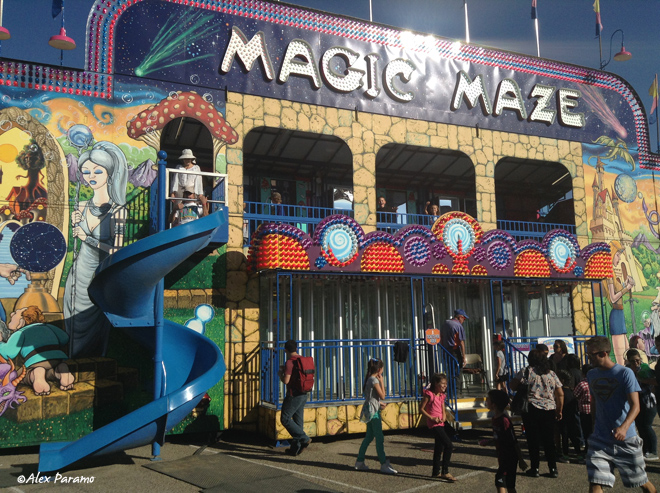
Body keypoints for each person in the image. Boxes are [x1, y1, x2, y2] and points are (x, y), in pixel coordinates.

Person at [64, 141, 128, 358]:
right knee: (72, 324)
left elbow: (116, 251)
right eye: (86, 171)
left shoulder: (119, 211)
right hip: (78, 277)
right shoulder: (80, 207)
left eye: (97, 171)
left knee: (96, 325)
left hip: (99, 277)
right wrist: (74, 226)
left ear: (109, 174)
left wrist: (87, 238)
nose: (91, 176)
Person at [585, 336, 656, 493]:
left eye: (591, 355)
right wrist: (593, 427)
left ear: (603, 353)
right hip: (600, 439)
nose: (588, 358)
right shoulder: (591, 375)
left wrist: (623, 428)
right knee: (595, 482)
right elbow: (595, 403)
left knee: (641, 481)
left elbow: (635, 406)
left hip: (626, 440)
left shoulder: (625, 374)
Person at [510, 349, 564, 478]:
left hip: (531, 409)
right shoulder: (551, 374)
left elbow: (512, 386)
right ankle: (553, 468)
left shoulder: (526, 371)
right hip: (549, 409)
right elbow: (560, 393)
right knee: (549, 440)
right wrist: (559, 410)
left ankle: (535, 468)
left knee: (533, 440)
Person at [0, 306, 75, 396]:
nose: (12, 314)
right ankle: (60, 370)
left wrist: (0, 343)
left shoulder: (20, 333)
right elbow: (65, 338)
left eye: (16, 313)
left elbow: (9, 353)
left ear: (22, 321)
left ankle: (36, 374)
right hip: (57, 358)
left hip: (35, 361)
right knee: (49, 372)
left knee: (20, 375)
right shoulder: (49, 327)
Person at [479, 389, 528, 493]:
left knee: (499, 482)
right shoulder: (495, 419)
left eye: (488, 400)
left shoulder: (504, 421)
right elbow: (500, 436)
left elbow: (513, 440)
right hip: (503, 457)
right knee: (510, 486)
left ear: (494, 404)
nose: (486, 402)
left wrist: (521, 460)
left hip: (509, 457)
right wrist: (489, 441)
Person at [355, 358, 397, 474]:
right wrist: (382, 381)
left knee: (369, 437)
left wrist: (379, 403)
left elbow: (371, 398)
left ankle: (360, 461)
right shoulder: (374, 380)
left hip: (369, 410)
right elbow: (383, 395)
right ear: (379, 370)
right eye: (382, 369)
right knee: (379, 438)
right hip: (373, 412)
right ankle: (383, 463)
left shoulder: (369, 379)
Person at [279, 339, 312, 456]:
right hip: (304, 393)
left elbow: (286, 381)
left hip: (293, 394)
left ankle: (304, 438)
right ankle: (295, 449)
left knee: (285, 418)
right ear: (296, 348)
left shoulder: (289, 362)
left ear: (286, 350)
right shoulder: (301, 360)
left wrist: (280, 374)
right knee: (298, 422)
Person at [420, 373, 455, 482]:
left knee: (439, 447)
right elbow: (421, 409)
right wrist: (431, 418)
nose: (445, 386)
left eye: (446, 384)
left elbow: (442, 407)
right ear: (436, 384)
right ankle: (445, 471)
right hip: (434, 423)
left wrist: (444, 416)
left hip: (441, 422)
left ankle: (436, 472)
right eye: (442, 384)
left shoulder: (441, 395)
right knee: (448, 445)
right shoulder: (429, 395)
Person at [625, 349, 658, 461]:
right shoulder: (628, 371)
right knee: (640, 426)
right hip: (636, 403)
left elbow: (655, 382)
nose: (636, 363)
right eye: (633, 361)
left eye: (637, 360)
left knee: (647, 425)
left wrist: (642, 379)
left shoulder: (645, 369)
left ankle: (653, 451)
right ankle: (646, 450)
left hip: (649, 402)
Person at [607, 240, 635, 365]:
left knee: (627, 353)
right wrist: (627, 288)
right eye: (617, 254)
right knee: (621, 357)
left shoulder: (613, 273)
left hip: (620, 313)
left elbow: (619, 290)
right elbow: (613, 298)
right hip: (616, 313)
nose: (619, 258)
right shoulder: (609, 274)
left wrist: (626, 284)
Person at [556, 370, 582, 462]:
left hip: (563, 416)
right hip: (572, 416)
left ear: (562, 380)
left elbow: (559, 403)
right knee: (573, 435)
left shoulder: (560, 392)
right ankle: (579, 454)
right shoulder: (572, 391)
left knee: (565, 435)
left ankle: (566, 455)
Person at [573, 363, 593, 454]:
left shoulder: (582, 384)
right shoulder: (595, 382)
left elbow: (575, 395)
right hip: (594, 411)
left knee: (586, 431)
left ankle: (587, 448)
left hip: (584, 411)